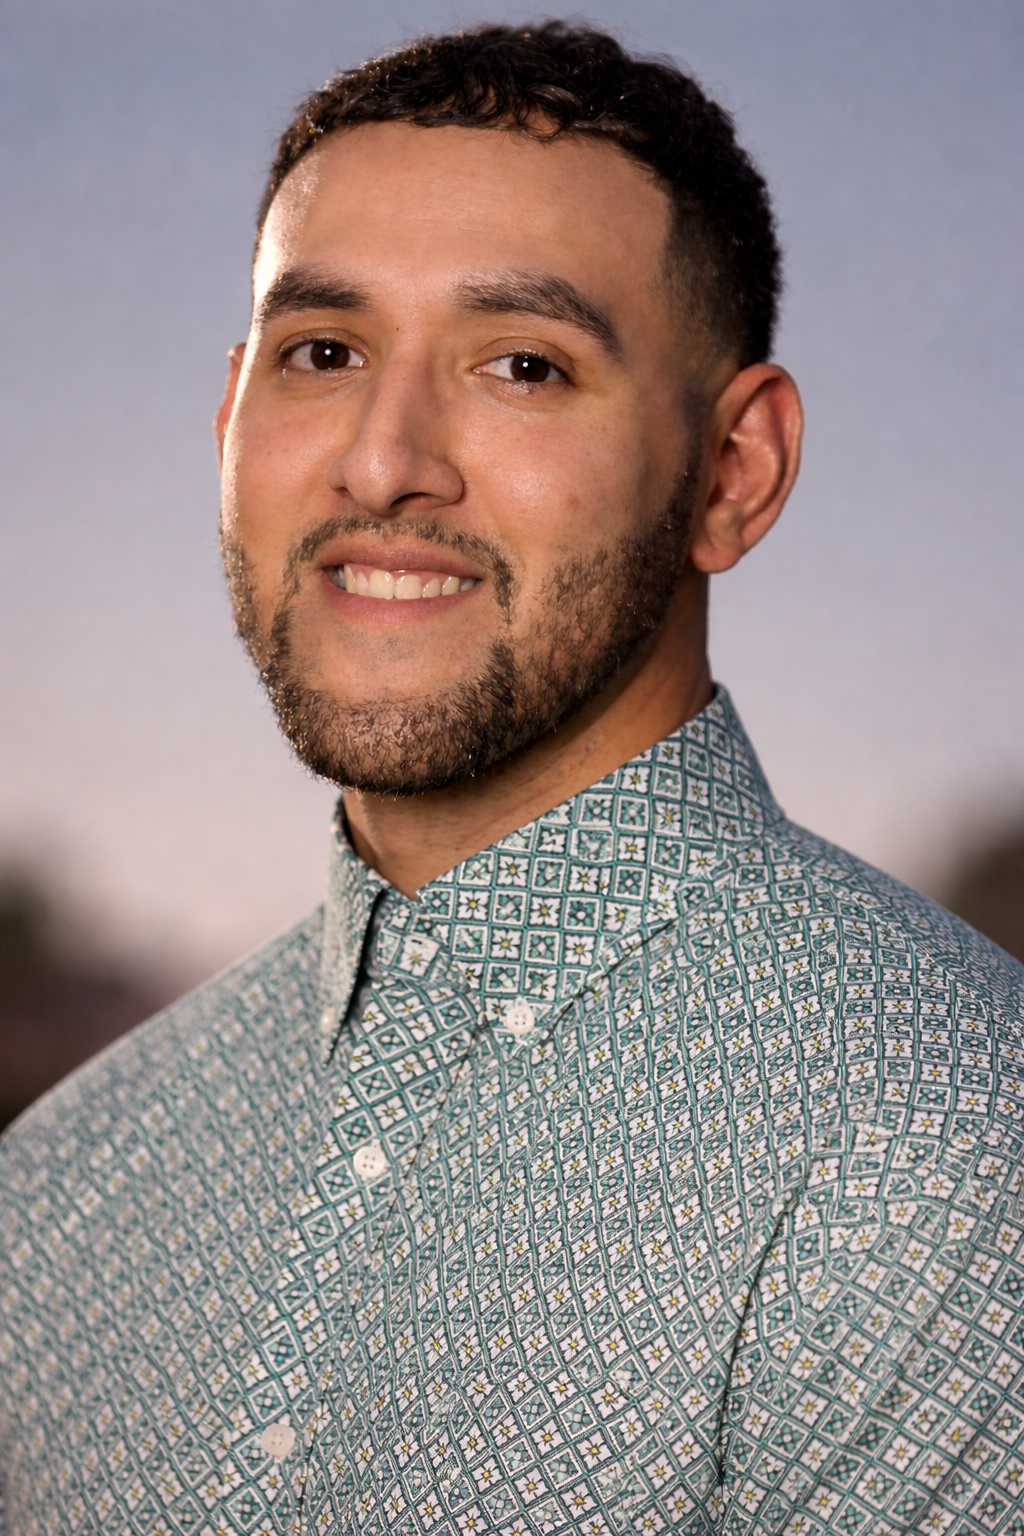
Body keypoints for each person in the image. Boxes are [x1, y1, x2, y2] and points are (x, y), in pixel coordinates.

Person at [1, 21, 1021, 1536]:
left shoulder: (952, 1148)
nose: (380, 461)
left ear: (735, 472)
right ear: (230, 422)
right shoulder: (59, 1189)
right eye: (323, 353)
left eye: (524, 364)